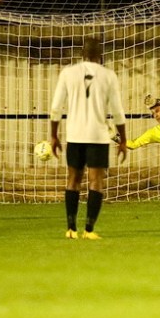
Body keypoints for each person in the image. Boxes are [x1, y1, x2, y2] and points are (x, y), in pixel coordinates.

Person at [50, 37, 128, 240]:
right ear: (100, 55)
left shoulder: (68, 73)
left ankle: (70, 229)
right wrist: (123, 140)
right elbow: (118, 112)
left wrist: (53, 136)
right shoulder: (108, 75)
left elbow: (56, 107)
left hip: (75, 135)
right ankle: (89, 230)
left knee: (73, 180)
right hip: (98, 136)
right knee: (96, 182)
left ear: (82, 54)